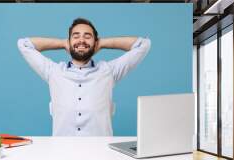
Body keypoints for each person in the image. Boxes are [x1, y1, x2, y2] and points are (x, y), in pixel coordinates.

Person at [18, 18, 151, 136]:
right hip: (62, 154)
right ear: (69, 41)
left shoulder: (109, 71)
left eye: (88, 36)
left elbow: (143, 44)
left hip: (101, 155)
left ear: (95, 42)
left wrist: (103, 43)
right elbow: (24, 44)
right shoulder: (54, 72)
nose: (81, 40)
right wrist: (62, 43)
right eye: (75, 36)